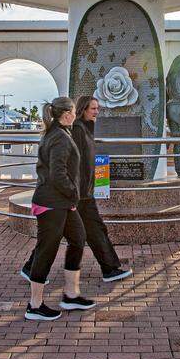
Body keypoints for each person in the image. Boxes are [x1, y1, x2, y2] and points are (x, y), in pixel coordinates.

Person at [22, 96, 132, 283]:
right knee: (89, 231)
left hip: (80, 192)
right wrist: (75, 191)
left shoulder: (83, 129)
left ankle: (32, 268)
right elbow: (70, 166)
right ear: (79, 111)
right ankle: (108, 269)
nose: (97, 112)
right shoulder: (76, 131)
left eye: (98, 108)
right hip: (78, 194)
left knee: (61, 235)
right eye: (93, 109)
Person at [23, 96, 96, 322]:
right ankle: (35, 306)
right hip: (52, 203)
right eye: (74, 111)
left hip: (61, 202)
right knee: (46, 250)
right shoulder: (60, 138)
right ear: (67, 114)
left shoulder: (57, 133)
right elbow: (57, 174)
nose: (76, 115)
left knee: (78, 238)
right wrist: (74, 194)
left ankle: (71, 295)